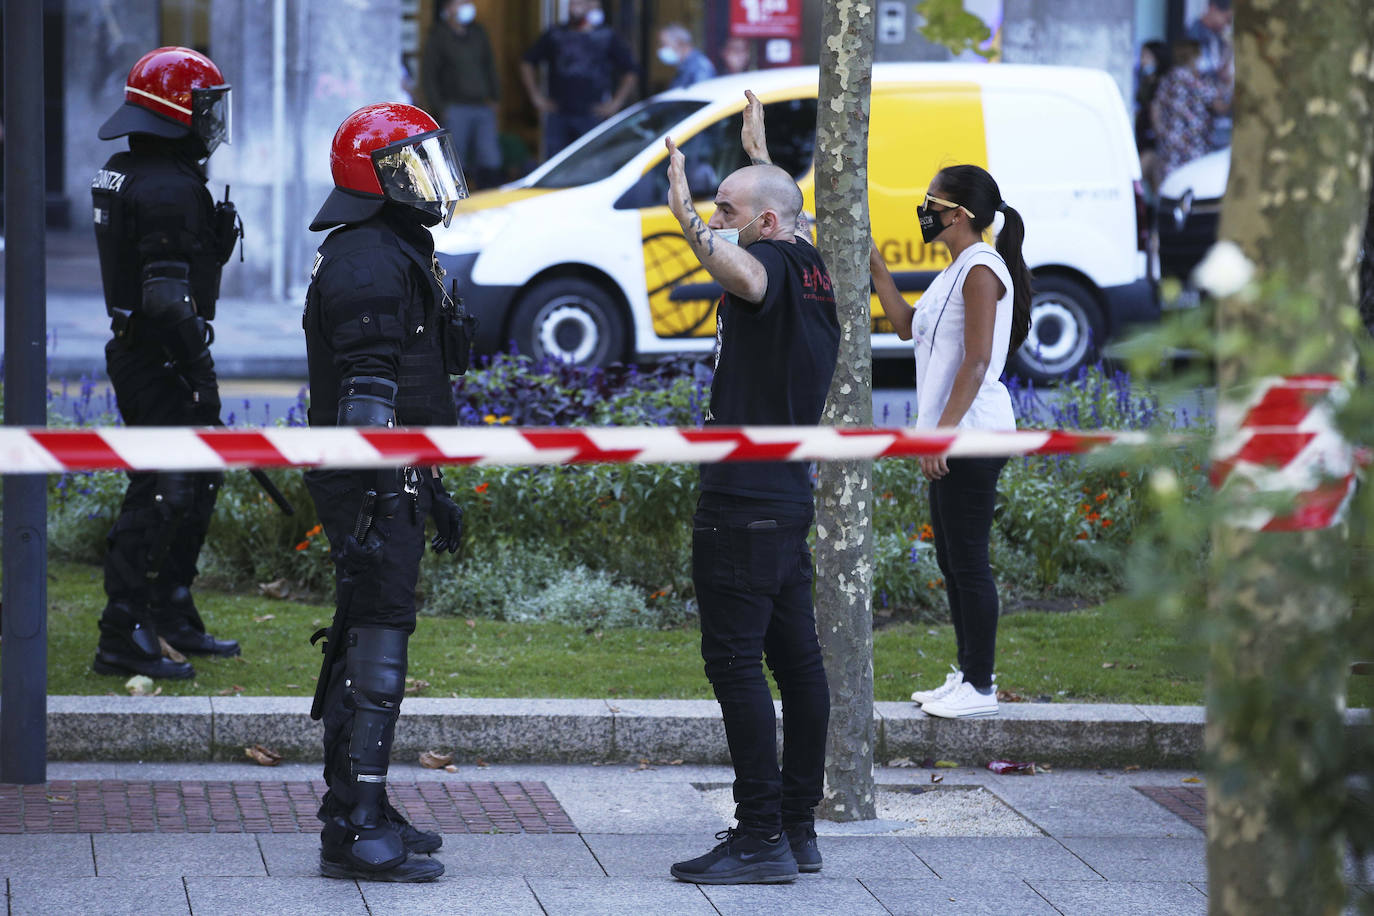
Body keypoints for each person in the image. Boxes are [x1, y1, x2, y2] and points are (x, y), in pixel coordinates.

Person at [664, 94, 838, 885]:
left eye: (729, 210)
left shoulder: (764, 263)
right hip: (786, 497)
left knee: (735, 664)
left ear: (763, 223)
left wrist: (685, 222)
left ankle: (761, 834)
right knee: (797, 665)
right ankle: (796, 828)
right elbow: (781, 211)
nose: (718, 218)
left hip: (742, 503)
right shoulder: (815, 266)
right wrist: (759, 155)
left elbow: (744, 262)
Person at [303, 102, 470, 883]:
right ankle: (355, 824)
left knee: (371, 630)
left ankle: (358, 803)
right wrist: (383, 498)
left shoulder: (388, 247)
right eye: (411, 165)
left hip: (389, 473)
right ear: (373, 178)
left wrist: (426, 482)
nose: (427, 181)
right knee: (376, 639)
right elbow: (367, 404)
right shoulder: (369, 260)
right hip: (371, 477)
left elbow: (401, 385)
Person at [90, 47, 241, 680]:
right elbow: (166, 297)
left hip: (137, 348)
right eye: (204, 106)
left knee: (197, 477)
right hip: (160, 357)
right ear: (176, 111)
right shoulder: (173, 187)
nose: (212, 119)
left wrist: (213, 246)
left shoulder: (124, 169)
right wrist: (199, 373)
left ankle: (170, 609)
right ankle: (121, 631)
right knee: (159, 487)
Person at [868, 164, 1032, 720]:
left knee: (968, 560)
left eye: (931, 201)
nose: (925, 210)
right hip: (951, 433)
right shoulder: (956, 267)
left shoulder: (982, 269)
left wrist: (940, 436)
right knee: (952, 558)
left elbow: (978, 358)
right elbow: (903, 325)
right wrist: (875, 263)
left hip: (974, 433)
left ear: (959, 213)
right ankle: (967, 673)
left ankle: (981, 685)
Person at [520, 0, 637, 157]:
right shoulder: (555, 34)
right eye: (573, 3)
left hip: (593, 114)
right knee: (555, 163)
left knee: (590, 162)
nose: (576, 7)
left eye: (581, 3)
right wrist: (536, 97)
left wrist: (616, 103)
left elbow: (630, 71)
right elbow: (527, 62)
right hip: (559, 113)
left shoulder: (606, 35)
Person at [422, 0, 503, 187]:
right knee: (456, 158)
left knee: (490, 156)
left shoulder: (478, 32)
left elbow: (489, 65)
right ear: (448, 9)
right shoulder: (438, 36)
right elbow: (429, 75)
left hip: (482, 105)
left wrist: (495, 97)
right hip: (455, 106)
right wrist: (440, 107)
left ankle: (488, 198)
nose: (466, 6)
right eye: (460, 3)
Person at [1151, 40, 1231, 179]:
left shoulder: (1169, 78)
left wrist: (1161, 132)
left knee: (1170, 186)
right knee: (1191, 183)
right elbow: (1219, 106)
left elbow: (1155, 107)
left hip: (1171, 146)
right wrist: (1233, 88)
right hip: (1192, 146)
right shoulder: (1193, 81)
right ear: (1193, 56)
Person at [1185, 0, 1233, 149]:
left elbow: (1220, 73)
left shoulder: (1218, 39)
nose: (1226, 24)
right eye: (1226, 18)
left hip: (1210, 117)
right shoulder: (1194, 35)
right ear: (1213, 9)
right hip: (1192, 116)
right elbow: (1194, 74)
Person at [1134, 39, 1172, 194]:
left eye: (1146, 56)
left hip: (1154, 142)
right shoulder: (1144, 82)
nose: (1143, 61)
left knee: (1138, 178)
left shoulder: (1163, 84)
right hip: (1143, 137)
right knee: (1154, 186)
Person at [658, 23, 716, 90]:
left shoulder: (699, 67)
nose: (661, 48)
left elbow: (700, 94)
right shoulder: (684, 67)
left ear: (680, 43)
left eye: (664, 44)